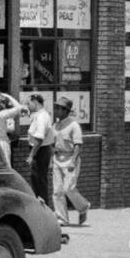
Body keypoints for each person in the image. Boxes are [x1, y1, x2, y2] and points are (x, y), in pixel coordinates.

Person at [51, 96, 91, 225]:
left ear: (65, 110)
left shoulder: (74, 125)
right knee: (57, 191)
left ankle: (83, 207)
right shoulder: (55, 125)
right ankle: (62, 218)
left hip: (70, 159)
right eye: (55, 108)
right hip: (57, 159)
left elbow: (78, 145)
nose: (55, 110)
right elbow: (53, 143)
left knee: (68, 188)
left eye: (58, 108)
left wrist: (73, 161)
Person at [24, 94, 53, 211]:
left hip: (40, 152)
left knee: (39, 181)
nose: (27, 106)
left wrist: (31, 155)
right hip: (39, 151)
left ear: (35, 102)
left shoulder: (42, 117)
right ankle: (40, 209)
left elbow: (39, 138)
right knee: (36, 180)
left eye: (28, 103)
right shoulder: (38, 115)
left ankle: (44, 210)